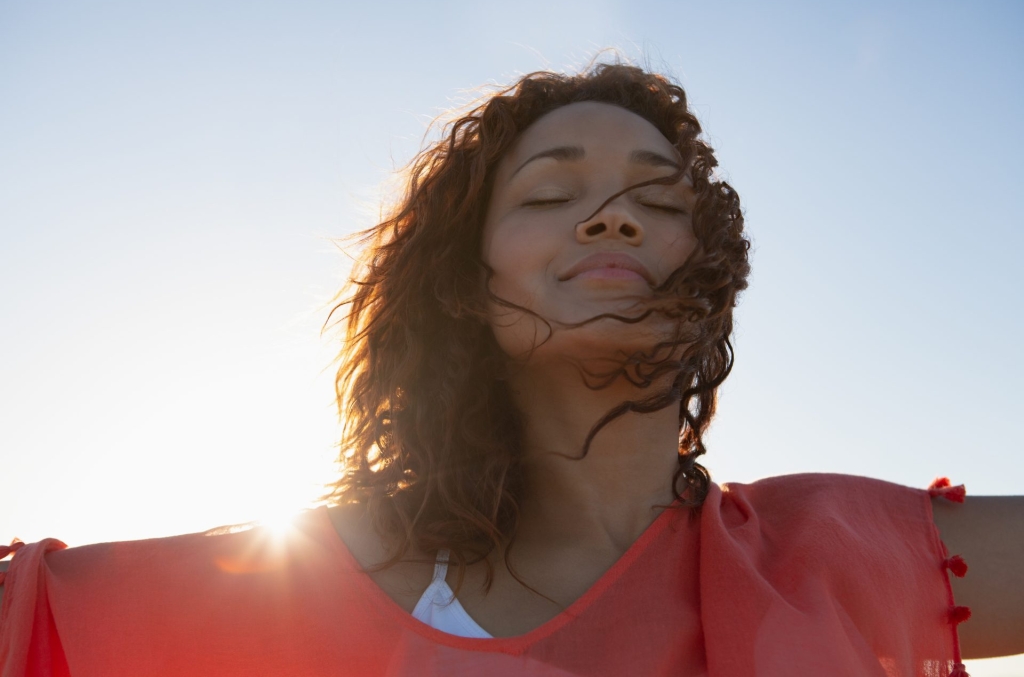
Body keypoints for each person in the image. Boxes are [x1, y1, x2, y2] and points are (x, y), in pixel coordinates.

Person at [1, 61, 1021, 676]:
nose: (612, 213)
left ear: (707, 268)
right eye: (548, 192)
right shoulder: (277, 584)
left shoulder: (827, 547)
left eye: (659, 201)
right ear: (463, 281)